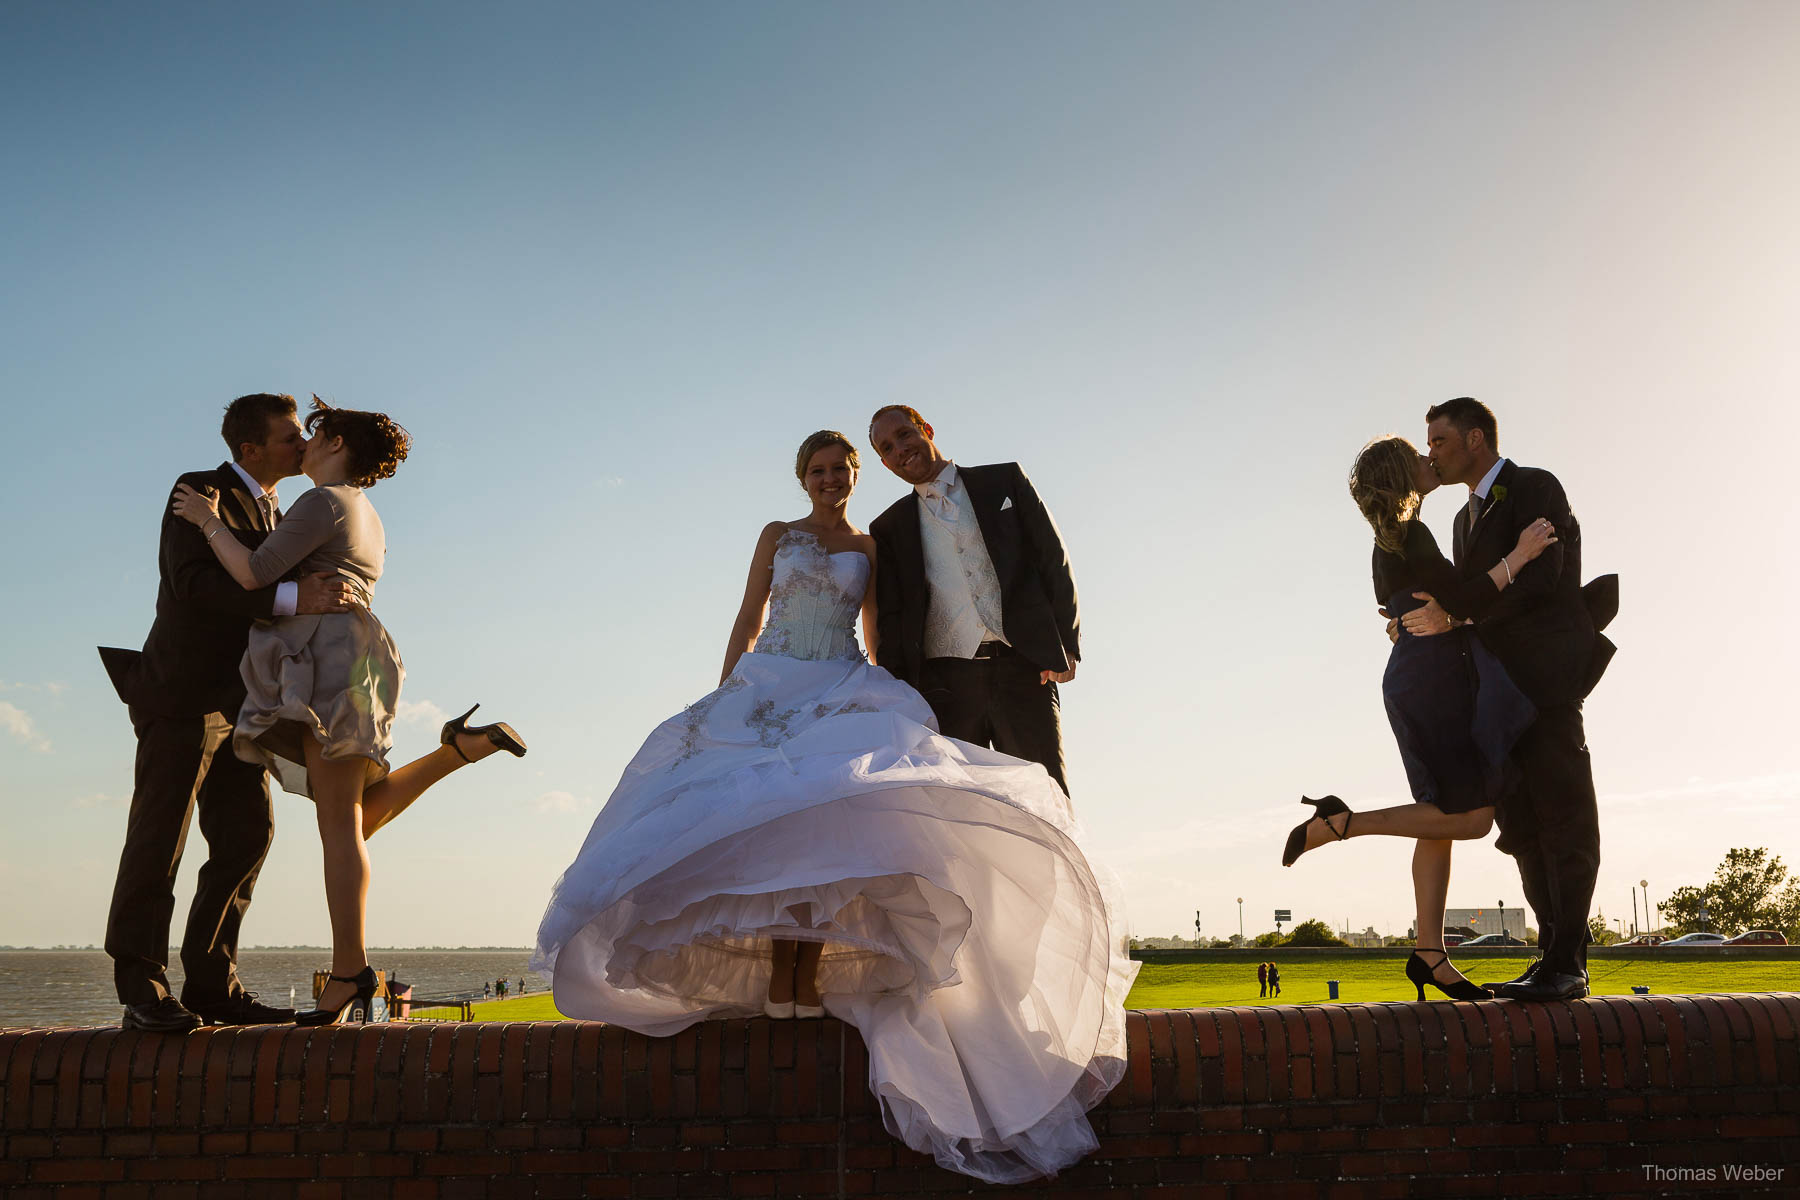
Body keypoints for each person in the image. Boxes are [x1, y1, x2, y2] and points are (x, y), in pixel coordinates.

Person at [534, 430, 1136, 1184]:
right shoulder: (776, 535)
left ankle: (805, 980)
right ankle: (779, 981)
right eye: (818, 471)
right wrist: (729, 688)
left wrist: (900, 698)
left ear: (856, 476)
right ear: (802, 478)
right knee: (757, 818)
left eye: (841, 470)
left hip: (842, 682)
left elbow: (880, 629)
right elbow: (750, 613)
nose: (829, 480)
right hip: (770, 680)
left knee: (835, 819)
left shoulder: (872, 540)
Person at [170, 396, 527, 1025]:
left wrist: (207, 521)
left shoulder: (323, 501)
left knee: (341, 826)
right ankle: (457, 750)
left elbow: (253, 574)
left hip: (331, 660)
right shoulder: (367, 514)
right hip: (354, 657)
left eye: (312, 434)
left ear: (336, 444)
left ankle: (349, 972)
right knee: (351, 819)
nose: (302, 443)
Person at [98, 393, 359, 1033]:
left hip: (246, 704)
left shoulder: (287, 509)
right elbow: (194, 584)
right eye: (290, 437)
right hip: (181, 695)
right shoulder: (197, 491)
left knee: (247, 835)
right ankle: (142, 989)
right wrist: (298, 596)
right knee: (161, 837)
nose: (301, 446)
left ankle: (213, 987)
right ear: (250, 449)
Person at [1283, 433, 1554, 1001]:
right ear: (1402, 478)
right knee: (1475, 817)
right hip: (1429, 683)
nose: (1430, 460)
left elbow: (1412, 608)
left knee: (1438, 818)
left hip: (1419, 677)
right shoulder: (1412, 536)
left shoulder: (1391, 541)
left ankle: (1430, 953)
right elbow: (1468, 596)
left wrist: (1433, 617)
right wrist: (1522, 554)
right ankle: (1341, 823)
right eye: (1418, 458)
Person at [1400, 398, 1611, 1002]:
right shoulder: (1464, 523)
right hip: (1494, 699)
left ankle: (1570, 963)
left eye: (1438, 441)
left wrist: (1460, 611)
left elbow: (1544, 583)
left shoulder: (1534, 487)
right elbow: (1464, 601)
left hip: (1544, 684)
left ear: (1473, 439)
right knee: (1519, 828)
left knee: (1566, 820)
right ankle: (1549, 956)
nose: (1431, 454)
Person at [866, 406, 1079, 795]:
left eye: (905, 435)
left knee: (1047, 797)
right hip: (946, 688)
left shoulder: (1004, 480)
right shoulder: (889, 527)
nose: (901, 449)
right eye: (888, 448)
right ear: (884, 462)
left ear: (926, 429)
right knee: (963, 810)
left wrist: (1066, 641)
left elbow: (1052, 559)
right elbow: (892, 618)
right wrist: (901, 692)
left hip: (1024, 669)